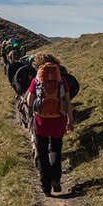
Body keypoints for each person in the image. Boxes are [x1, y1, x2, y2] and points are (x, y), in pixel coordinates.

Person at [26, 53, 74, 196]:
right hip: (59, 120)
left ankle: (45, 186)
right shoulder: (62, 79)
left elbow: (29, 101)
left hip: (41, 122)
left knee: (42, 153)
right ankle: (56, 179)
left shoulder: (37, 79)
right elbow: (68, 102)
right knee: (56, 150)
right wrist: (70, 121)